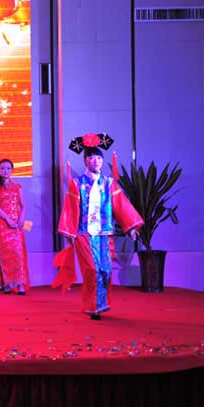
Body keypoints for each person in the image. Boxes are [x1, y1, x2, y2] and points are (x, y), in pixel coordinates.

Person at [55, 133, 143, 320]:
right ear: (85, 161)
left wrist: (131, 227)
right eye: (91, 158)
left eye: (98, 158)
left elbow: (120, 205)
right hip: (84, 233)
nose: (95, 161)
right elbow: (71, 208)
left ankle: (100, 304)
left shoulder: (109, 183)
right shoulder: (78, 184)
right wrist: (69, 231)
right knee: (92, 269)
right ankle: (92, 307)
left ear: (103, 161)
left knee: (105, 269)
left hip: (104, 233)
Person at [0, 159, 30, 294]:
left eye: (8, 168)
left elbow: (23, 205)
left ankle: (20, 284)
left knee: (18, 252)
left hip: (16, 224)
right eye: (2, 168)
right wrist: (7, 220)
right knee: (5, 253)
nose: (5, 171)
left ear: (12, 170)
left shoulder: (17, 187)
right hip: (1, 224)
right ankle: (7, 283)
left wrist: (21, 218)